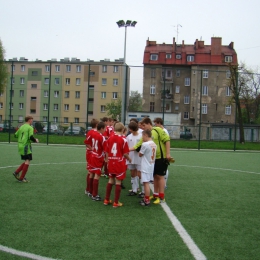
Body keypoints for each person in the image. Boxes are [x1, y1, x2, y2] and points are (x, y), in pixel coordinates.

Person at [131, 117, 170, 204]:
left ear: (149, 124)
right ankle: (156, 194)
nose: (143, 127)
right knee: (155, 177)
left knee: (160, 177)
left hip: (161, 158)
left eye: (144, 125)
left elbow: (167, 140)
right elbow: (138, 145)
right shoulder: (146, 135)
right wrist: (126, 149)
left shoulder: (158, 130)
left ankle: (162, 197)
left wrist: (167, 154)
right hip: (153, 159)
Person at [104, 122, 131, 208]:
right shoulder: (123, 139)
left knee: (111, 180)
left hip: (111, 162)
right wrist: (129, 158)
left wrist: (108, 160)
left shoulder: (110, 138)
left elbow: (107, 151)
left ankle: (106, 200)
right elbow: (125, 153)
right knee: (118, 181)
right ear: (123, 130)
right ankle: (116, 202)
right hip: (119, 162)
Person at [13, 115, 39, 182]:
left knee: (26, 160)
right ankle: (21, 178)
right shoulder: (30, 127)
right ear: (29, 120)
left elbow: (15, 135)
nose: (32, 121)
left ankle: (16, 172)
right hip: (26, 146)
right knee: (27, 161)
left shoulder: (21, 126)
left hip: (20, 145)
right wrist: (35, 140)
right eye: (32, 120)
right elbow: (30, 137)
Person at [87, 122, 106, 201]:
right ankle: (95, 195)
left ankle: (89, 191)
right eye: (105, 128)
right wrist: (106, 158)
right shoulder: (102, 137)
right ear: (101, 128)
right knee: (97, 175)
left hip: (92, 155)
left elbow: (87, 142)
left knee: (91, 173)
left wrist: (92, 149)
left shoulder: (94, 134)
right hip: (98, 157)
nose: (105, 130)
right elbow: (105, 149)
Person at [139, 129, 157, 206]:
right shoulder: (154, 144)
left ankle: (146, 200)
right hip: (151, 165)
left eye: (142, 136)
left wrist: (142, 144)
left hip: (145, 166)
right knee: (147, 183)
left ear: (146, 135)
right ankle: (146, 199)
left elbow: (140, 154)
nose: (142, 138)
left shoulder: (145, 144)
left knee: (146, 183)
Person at [126, 121, 142, 196]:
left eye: (130, 129)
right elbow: (126, 147)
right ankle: (134, 190)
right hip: (131, 158)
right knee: (132, 173)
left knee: (139, 174)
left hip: (139, 158)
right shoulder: (128, 137)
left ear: (134, 129)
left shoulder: (141, 136)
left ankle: (143, 191)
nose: (129, 130)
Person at [153, 117, 170, 189]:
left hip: (163, 154)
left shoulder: (164, 131)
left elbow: (166, 141)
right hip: (159, 154)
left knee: (163, 171)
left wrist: (167, 153)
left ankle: (164, 183)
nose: (155, 125)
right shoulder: (159, 130)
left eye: (156, 123)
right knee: (158, 173)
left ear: (159, 123)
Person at [84, 118, 99, 196]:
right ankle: (88, 189)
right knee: (91, 171)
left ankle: (90, 189)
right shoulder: (92, 132)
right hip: (91, 154)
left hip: (92, 153)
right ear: (96, 125)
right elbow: (86, 142)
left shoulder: (93, 132)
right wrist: (92, 149)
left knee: (92, 171)